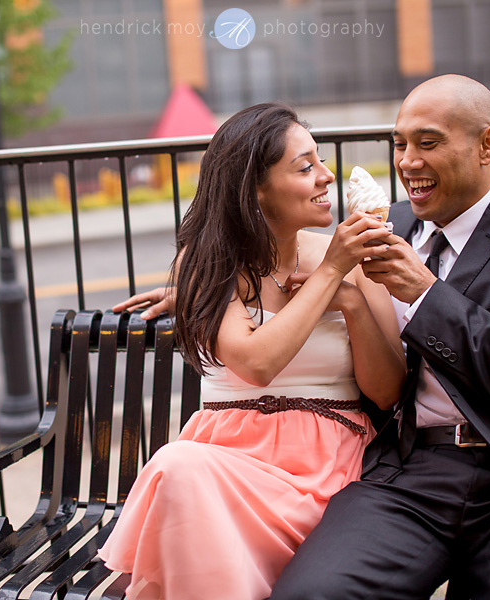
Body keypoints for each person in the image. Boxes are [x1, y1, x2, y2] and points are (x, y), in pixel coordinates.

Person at [267, 75, 490, 599]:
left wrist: (426, 294)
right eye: (400, 144)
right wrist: (197, 287)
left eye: (428, 142)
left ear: (488, 143)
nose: (407, 161)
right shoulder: (382, 226)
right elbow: (291, 265)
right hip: (411, 472)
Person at [97, 102, 407, 600]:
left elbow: (389, 390)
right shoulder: (205, 265)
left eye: (320, 161)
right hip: (225, 458)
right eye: (305, 168)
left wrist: (349, 297)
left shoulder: (353, 261)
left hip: (323, 465)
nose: (326, 176)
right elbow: (256, 363)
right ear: (255, 190)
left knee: (181, 474)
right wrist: (329, 274)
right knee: (181, 470)